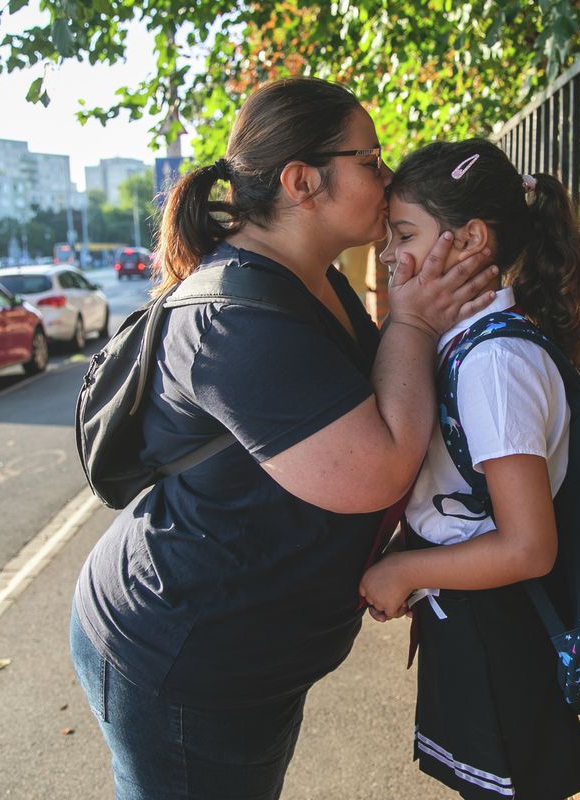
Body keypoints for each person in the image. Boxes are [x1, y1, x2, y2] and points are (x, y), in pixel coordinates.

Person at [69, 78, 498, 800]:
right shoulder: (236, 325)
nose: (387, 179)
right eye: (372, 160)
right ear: (304, 181)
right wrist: (414, 323)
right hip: (185, 663)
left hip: (248, 656)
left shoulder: (307, 279)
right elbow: (379, 467)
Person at [360, 139, 580, 799]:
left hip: (498, 628)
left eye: (403, 233)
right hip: (470, 616)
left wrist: (404, 569)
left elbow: (529, 547)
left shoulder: (495, 365)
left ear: (468, 240)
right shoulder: (467, 345)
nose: (387, 254)